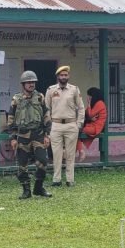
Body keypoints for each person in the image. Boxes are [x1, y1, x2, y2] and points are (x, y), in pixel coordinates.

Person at [8, 71, 52, 200]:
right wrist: (12, 137)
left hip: (38, 134)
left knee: (43, 162)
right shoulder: (16, 99)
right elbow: (11, 118)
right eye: (28, 82)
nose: (31, 84)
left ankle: (39, 187)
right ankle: (26, 190)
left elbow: (46, 116)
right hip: (22, 136)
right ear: (23, 84)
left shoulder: (40, 97)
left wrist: (47, 135)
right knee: (22, 165)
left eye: (33, 82)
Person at [45, 65, 84, 187]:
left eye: (66, 75)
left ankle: (70, 180)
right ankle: (56, 180)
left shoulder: (74, 89)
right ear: (57, 77)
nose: (64, 77)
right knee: (56, 154)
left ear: (68, 76)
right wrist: (48, 125)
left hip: (71, 124)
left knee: (70, 154)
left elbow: (81, 108)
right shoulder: (51, 90)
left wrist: (79, 124)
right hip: (56, 125)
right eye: (61, 75)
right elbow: (46, 109)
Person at [76, 87, 107, 161]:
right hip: (92, 126)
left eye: (89, 96)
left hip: (96, 128)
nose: (88, 97)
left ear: (94, 96)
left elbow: (90, 114)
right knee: (75, 131)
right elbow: (85, 113)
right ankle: (80, 150)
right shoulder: (95, 104)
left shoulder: (100, 103)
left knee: (76, 131)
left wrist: (89, 104)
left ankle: (81, 151)